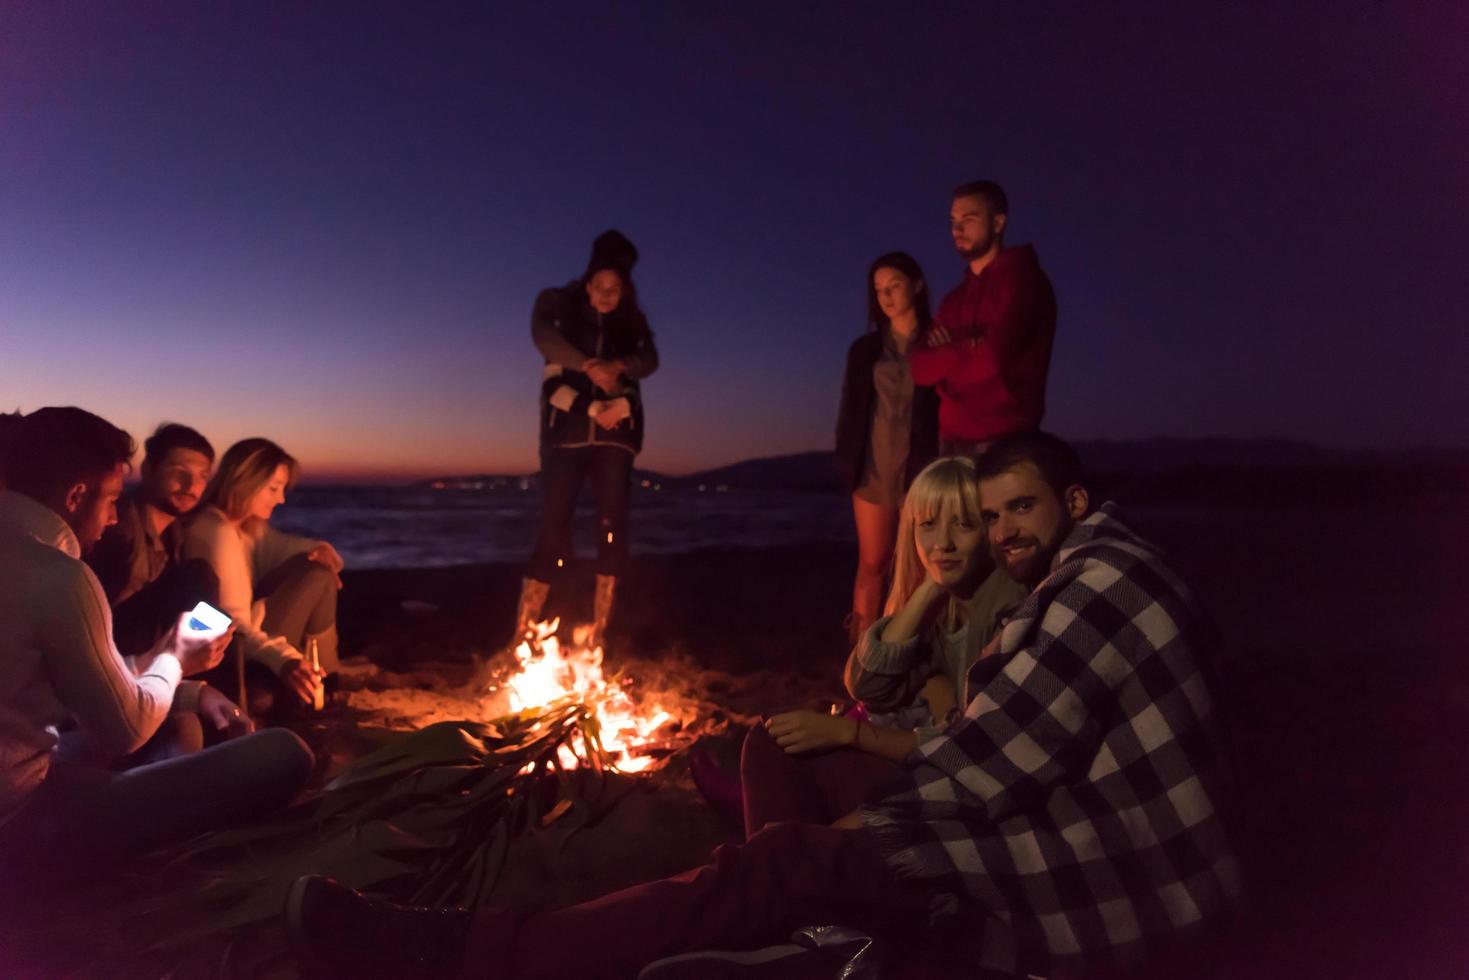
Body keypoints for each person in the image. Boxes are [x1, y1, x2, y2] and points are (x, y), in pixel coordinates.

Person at [284, 431, 1240, 978]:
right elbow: (908, 700)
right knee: (772, 766)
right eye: (980, 518)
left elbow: (981, 767)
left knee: (775, 861)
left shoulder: (1090, 590)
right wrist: (893, 649)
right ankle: (802, 918)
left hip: (1086, 878)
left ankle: (472, 952)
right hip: (1050, 815)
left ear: (1071, 501)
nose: (993, 535)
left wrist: (856, 813)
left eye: (1013, 512)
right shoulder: (1090, 568)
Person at [0, 407, 313, 887]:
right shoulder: (59, 576)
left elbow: (59, 679)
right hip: (22, 820)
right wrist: (175, 659)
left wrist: (188, 689)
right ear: (75, 495)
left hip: (37, 760)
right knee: (284, 754)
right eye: (109, 500)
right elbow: (122, 732)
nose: (110, 517)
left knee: (183, 720)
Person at [743, 456, 1028, 840]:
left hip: (956, 792)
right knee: (768, 739)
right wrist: (928, 587)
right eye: (927, 525)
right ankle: (778, 853)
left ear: (990, 529)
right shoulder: (943, 603)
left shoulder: (1010, 611)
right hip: (917, 759)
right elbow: (866, 683)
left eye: (963, 524)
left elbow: (971, 753)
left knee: (799, 833)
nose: (942, 542)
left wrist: (848, 734)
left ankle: (782, 859)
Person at [512, 229, 659, 651]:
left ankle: (600, 633)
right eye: (601, 284)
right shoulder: (562, 314)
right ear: (589, 280)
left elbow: (643, 370)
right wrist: (590, 392)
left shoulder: (630, 326)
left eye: (616, 287)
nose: (607, 293)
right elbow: (550, 380)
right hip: (567, 439)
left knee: (612, 528)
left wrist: (622, 404)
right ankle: (523, 631)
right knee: (554, 526)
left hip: (616, 442)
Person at [180, 438, 344, 717]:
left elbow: (280, 546)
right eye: (273, 488)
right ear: (246, 482)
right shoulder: (218, 533)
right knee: (318, 578)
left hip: (239, 647)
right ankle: (327, 682)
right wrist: (285, 661)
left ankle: (325, 680)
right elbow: (232, 624)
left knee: (318, 571)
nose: (280, 499)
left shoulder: (239, 528)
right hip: (232, 658)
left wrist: (321, 550)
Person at [834, 251, 941, 642]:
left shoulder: (936, 340)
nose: (886, 296)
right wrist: (847, 461)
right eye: (879, 290)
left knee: (916, 569)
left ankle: (900, 651)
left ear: (917, 284)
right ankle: (862, 658)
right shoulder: (865, 350)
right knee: (872, 564)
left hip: (920, 469)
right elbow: (849, 411)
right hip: (874, 467)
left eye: (894, 286)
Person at [910, 180, 1058, 456]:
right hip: (951, 440)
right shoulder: (955, 300)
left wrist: (946, 354)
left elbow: (994, 358)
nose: (957, 229)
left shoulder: (1025, 281)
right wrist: (965, 347)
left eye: (969, 218)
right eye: (953, 220)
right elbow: (920, 369)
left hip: (1005, 439)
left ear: (998, 223)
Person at [87, 423, 219, 657]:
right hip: (116, 659)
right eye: (178, 472)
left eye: (202, 477)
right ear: (148, 469)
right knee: (200, 576)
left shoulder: (175, 531)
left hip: (153, 654)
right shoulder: (118, 529)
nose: (191, 486)